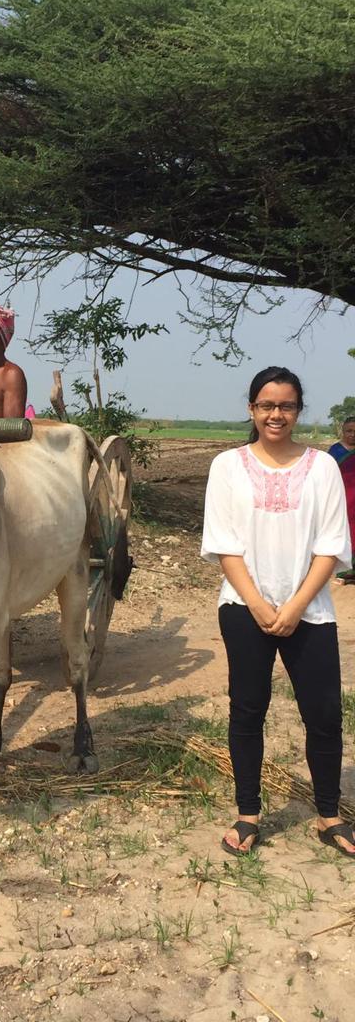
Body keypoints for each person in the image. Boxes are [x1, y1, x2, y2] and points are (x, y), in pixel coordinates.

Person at [201, 366, 355, 857]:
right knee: (248, 710)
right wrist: (260, 604)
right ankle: (248, 814)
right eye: (266, 405)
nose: (276, 414)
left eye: (286, 406)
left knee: (325, 713)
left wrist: (293, 606)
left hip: (309, 610)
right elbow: (224, 545)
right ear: (251, 409)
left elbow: (330, 546)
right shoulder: (227, 466)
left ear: (297, 411)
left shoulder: (322, 467)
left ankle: (328, 814)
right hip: (244, 608)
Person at [328, 417, 355, 581]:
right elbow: (327, 475)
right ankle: (344, 570)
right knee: (343, 530)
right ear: (343, 432)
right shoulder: (335, 451)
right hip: (342, 498)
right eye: (349, 431)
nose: (352, 434)